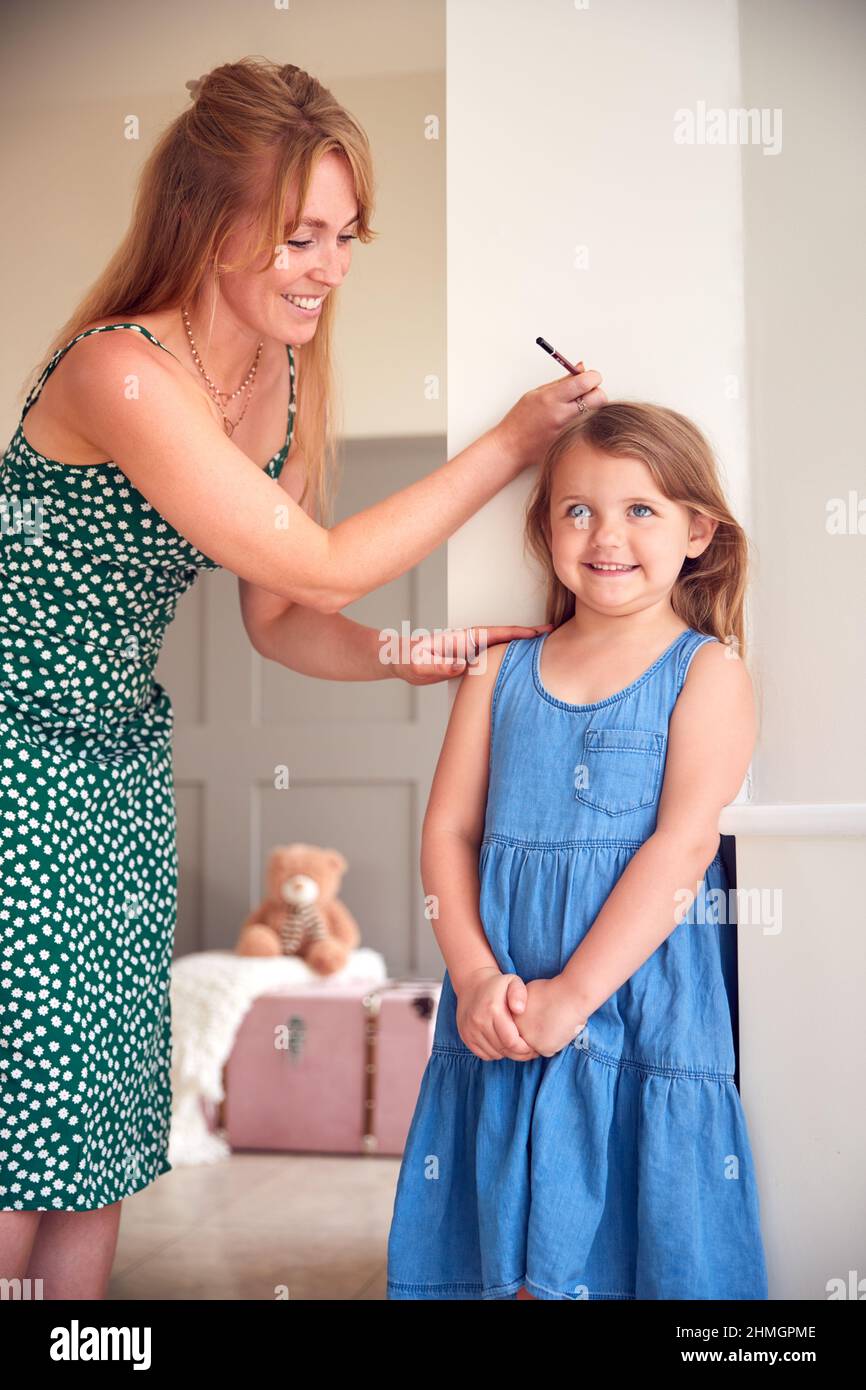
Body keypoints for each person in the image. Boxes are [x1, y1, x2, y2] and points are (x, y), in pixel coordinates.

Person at [0, 57, 607, 1298]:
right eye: (298, 237)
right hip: (16, 755)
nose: (328, 268)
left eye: (344, 237)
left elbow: (286, 610)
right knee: (18, 1139)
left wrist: (407, 655)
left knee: (95, 1140)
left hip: (114, 763)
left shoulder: (276, 378)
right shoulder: (121, 372)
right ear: (208, 226)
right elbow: (323, 554)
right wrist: (507, 445)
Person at [386, 400, 769, 1300]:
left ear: (697, 530)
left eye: (641, 510)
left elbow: (682, 848)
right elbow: (448, 832)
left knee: (636, 1251)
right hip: (505, 999)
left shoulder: (707, 672)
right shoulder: (498, 671)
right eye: (577, 510)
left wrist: (575, 998)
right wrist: (477, 978)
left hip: (639, 1002)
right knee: (506, 1255)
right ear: (546, 527)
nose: (606, 535)